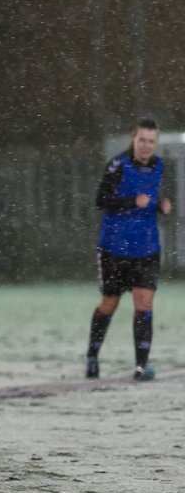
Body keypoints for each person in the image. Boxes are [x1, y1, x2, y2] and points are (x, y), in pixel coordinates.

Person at [85, 118, 173, 381]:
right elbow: (101, 200)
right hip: (114, 248)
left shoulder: (159, 166)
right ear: (133, 140)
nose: (147, 146)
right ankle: (92, 356)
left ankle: (141, 366)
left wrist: (159, 206)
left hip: (146, 247)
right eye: (142, 140)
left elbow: (149, 198)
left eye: (151, 141)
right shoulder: (118, 165)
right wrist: (130, 201)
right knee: (109, 303)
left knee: (144, 303)